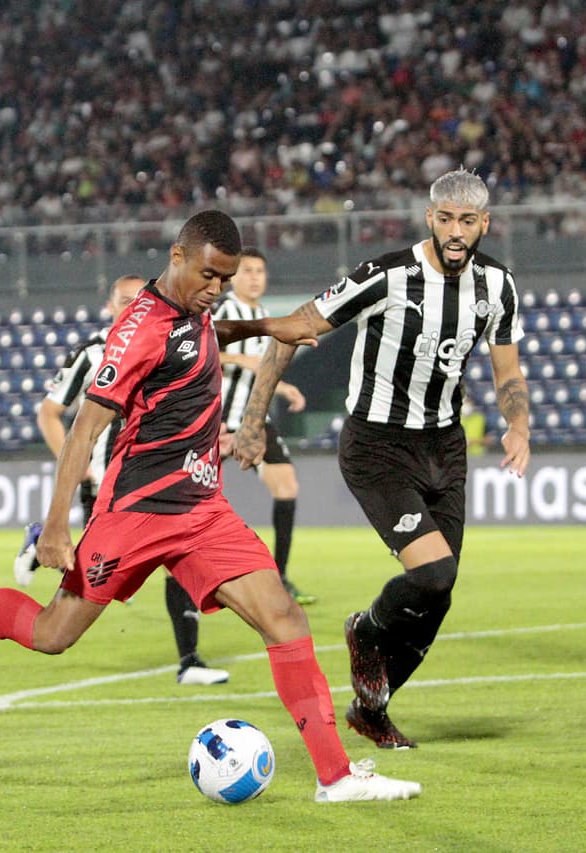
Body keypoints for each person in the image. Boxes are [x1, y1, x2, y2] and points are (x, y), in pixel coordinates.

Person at [0, 210, 421, 803]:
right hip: (137, 513)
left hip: (202, 511)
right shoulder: (140, 328)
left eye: (224, 280)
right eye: (208, 276)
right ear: (177, 257)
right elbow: (84, 428)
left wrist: (267, 326)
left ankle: (335, 776)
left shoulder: (192, 309)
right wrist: (55, 524)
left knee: (285, 618)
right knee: (51, 633)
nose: (215, 290)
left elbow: (206, 335)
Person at [233, 170, 531, 749]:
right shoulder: (387, 275)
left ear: (484, 224)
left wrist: (518, 424)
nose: (455, 231)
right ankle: (366, 629)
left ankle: (372, 709)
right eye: (446, 218)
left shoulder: (498, 286)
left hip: (444, 447)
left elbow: (508, 371)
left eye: (467, 221)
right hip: (377, 447)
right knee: (433, 574)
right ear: (430, 218)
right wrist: (252, 422)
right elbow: (294, 329)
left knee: (438, 594)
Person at [12, 274, 230, 686]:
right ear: (110, 306)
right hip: (107, 483)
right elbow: (49, 413)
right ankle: (41, 542)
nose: (132, 307)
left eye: (137, 299)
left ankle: (190, 661)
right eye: (124, 301)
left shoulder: (168, 341)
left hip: (154, 481)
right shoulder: (92, 354)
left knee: (176, 564)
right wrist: (77, 466)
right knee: (93, 583)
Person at [212, 247, 315, 606]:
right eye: (248, 271)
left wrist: (283, 388)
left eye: (260, 271)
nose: (255, 277)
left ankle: (279, 577)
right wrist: (242, 358)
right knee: (191, 493)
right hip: (217, 420)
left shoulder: (262, 316)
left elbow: (263, 368)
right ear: (233, 278)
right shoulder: (224, 311)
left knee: (286, 485)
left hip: (254, 419)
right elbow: (199, 350)